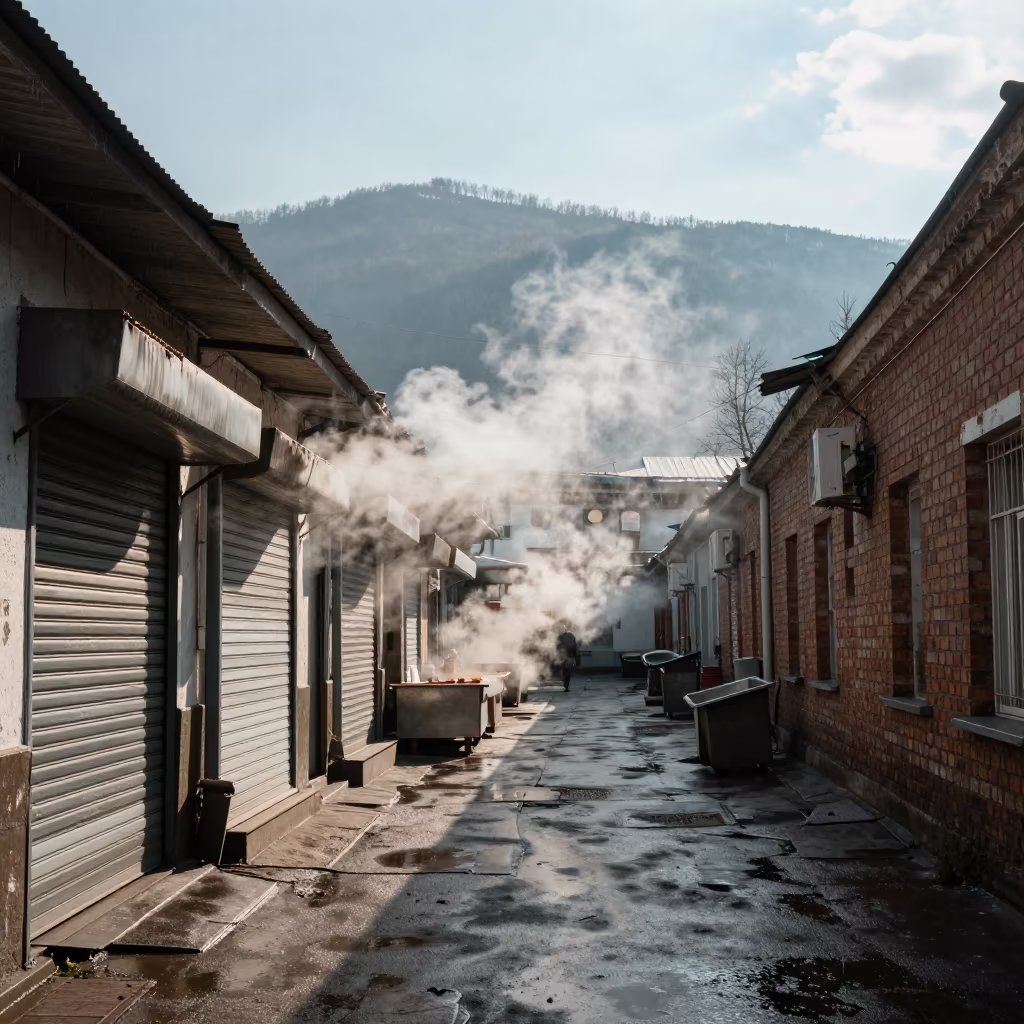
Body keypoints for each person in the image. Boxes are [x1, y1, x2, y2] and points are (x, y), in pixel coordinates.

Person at [556, 625, 578, 691]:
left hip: (562, 656)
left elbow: (557, 646)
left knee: (564, 671)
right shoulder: (572, 636)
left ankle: (565, 685)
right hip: (569, 656)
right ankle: (566, 686)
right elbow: (574, 647)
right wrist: (575, 657)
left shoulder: (560, 637)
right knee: (567, 672)